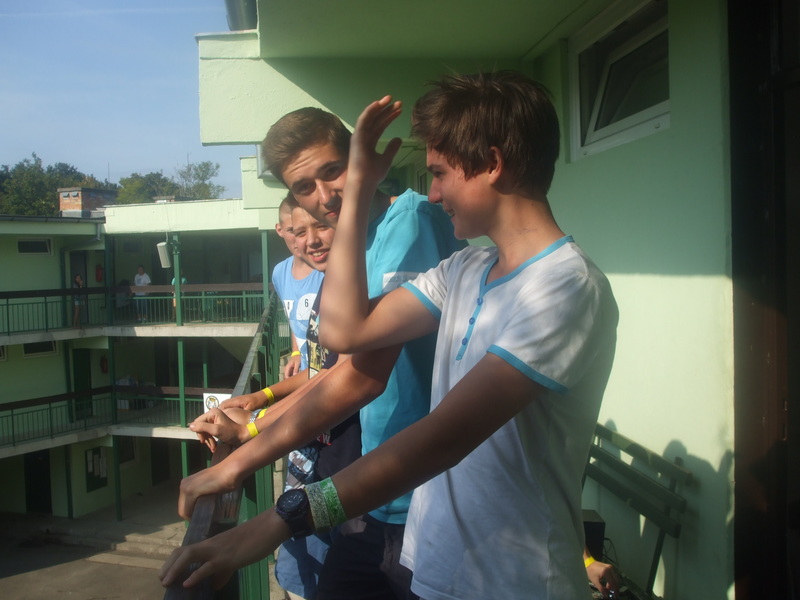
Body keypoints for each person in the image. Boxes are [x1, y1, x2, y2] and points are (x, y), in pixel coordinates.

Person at [160, 71, 619, 600]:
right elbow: (344, 334)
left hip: (514, 580)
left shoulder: (566, 287)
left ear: (493, 163)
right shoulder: (466, 269)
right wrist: (356, 188)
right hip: (436, 559)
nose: (434, 193)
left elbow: (441, 437)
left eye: (440, 173)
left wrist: (276, 521)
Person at [176, 106, 464, 600]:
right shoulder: (355, 242)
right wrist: (251, 426)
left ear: (358, 158)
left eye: (333, 171)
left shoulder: (409, 221)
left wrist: (235, 463)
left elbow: (361, 377)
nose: (326, 196)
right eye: (305, 187)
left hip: (425, 493)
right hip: (375, 486)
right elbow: (332, 371)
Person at [272, 194, 324, 378]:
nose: (301, 239)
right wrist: (295, 353)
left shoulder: (328, 270)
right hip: (306, 376)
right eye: (292, 231)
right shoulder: (279, 273)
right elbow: (294, 318)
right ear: (279, 230)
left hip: (326, 376)